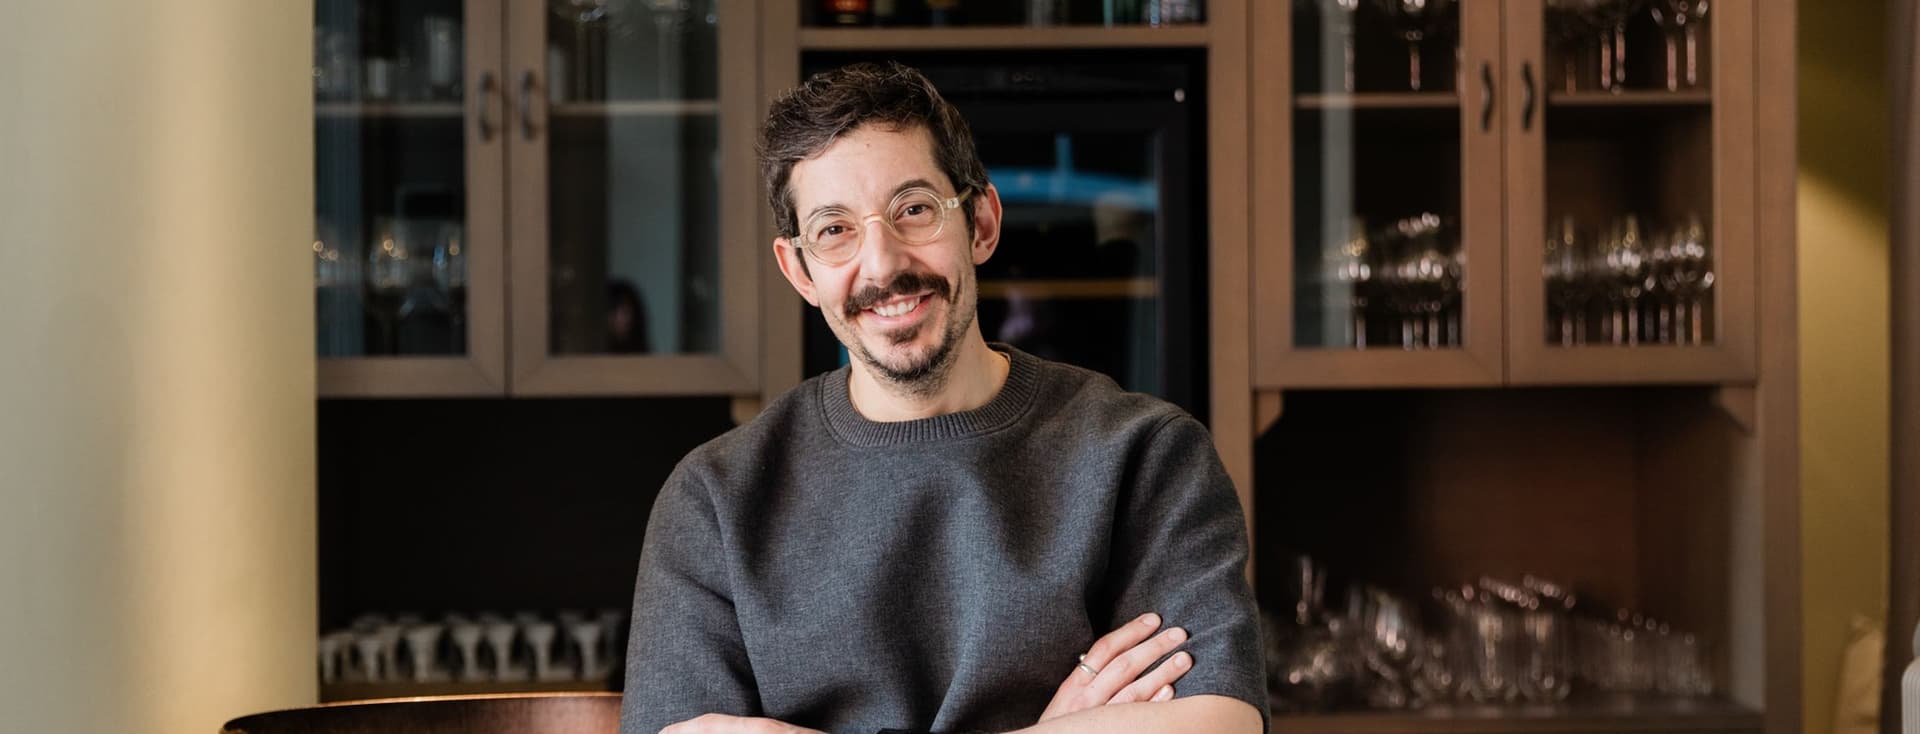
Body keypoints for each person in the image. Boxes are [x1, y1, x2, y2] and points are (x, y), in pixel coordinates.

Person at [620, 61, 1265, 734]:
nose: (883, 265)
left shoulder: (1146, 457)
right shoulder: (715, 499)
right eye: (834, 230)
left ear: (981, 223)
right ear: (799, 269)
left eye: (914, 211)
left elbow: (1221, 722)